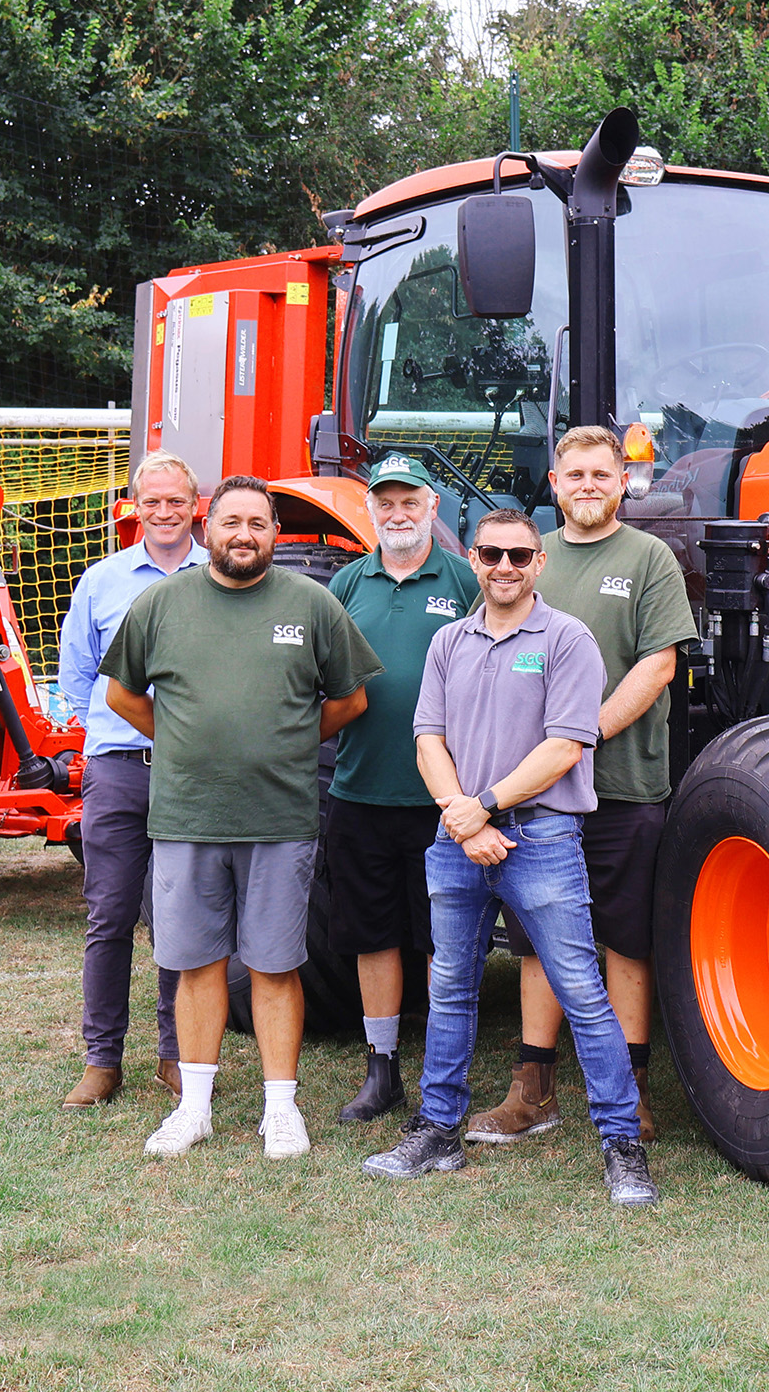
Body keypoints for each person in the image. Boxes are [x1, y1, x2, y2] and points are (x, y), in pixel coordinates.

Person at [360, 509, 657, 1206]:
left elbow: (565, 746)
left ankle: (623, 1147)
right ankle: (437, 1131)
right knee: (452, 987)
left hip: (541, 838)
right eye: (491, 554)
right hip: (458, 838)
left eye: (519, 556)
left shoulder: (568, 640)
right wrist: (465, 823)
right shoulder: (448, 642)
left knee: (583, 992)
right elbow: (427, 738)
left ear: (539, 563)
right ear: (471, 557)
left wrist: (483, 805)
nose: (504, 567)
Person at [101, 474, 382, 1160]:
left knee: (276, 965)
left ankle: (280, 1110)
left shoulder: (311, 605)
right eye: (232, 523)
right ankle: (194, 1109)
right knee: (196, 963)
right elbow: (121, 696)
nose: (244, 535)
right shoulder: (162, 605)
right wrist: (187, 739)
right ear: (207, 530)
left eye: (258, 524)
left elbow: (350, 702)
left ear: (275, 535)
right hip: (188, 817)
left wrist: (284, 741)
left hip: (279, 818)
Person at [468, 425, 697, 1146]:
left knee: (626, 939)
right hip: (534, 797)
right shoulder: (528, 557)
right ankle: (533, 1088)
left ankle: (630, 1094)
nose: (590, 485)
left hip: (624, 787)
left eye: (604, 474)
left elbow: (658, 667)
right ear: (556, 484)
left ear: (624, 482)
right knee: (537, 940)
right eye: (576, 475)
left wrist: (576, 738)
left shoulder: (650, 558)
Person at [320, 455, 475, 1121]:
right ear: (373, 511)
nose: (397, 513)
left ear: (431, 506)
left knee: (446, 940)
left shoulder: (466, 578)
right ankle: (381, 1071)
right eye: (385, 502)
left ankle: (445, 1078)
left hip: (446, 801)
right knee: (372, 935)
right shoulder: (348, 582)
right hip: (360, 791)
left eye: (409, 500)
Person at [52, 449, 204, 1110]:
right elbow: (80, 682)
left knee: (181, 918)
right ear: (134, 508)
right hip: (118, 772)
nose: (165, 513)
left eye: (176, 501)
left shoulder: (221, 575)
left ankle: (174, 1054)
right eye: (153, 502)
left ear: (195, 506)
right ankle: (101, 1060)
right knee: (110, 914)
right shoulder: (103, 581)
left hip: (194, 773)